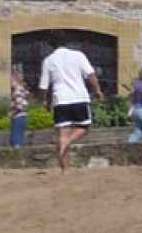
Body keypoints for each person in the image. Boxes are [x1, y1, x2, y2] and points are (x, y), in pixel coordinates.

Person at [38, 33, 102, 172]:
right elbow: (91, 74)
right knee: (85, 127)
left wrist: (44, 101)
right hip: (79, 97)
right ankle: (68, 143)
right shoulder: (78, 55)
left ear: (51, 45)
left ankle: (65, 170)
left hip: (60, 100)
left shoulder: (48, 60)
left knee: (62, 135)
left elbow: (43, 86)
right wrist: (98, 90)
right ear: (67, 43)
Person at [8, 68, 30, 149]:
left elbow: (20, 105)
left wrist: (12, 112)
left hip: (18, 116)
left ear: (15, 81)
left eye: (11, 81)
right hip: (22, 116)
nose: (10, 83)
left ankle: (17, 155)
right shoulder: (23, 90)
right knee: (19, 137)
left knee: (16, 138)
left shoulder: (17, 91)